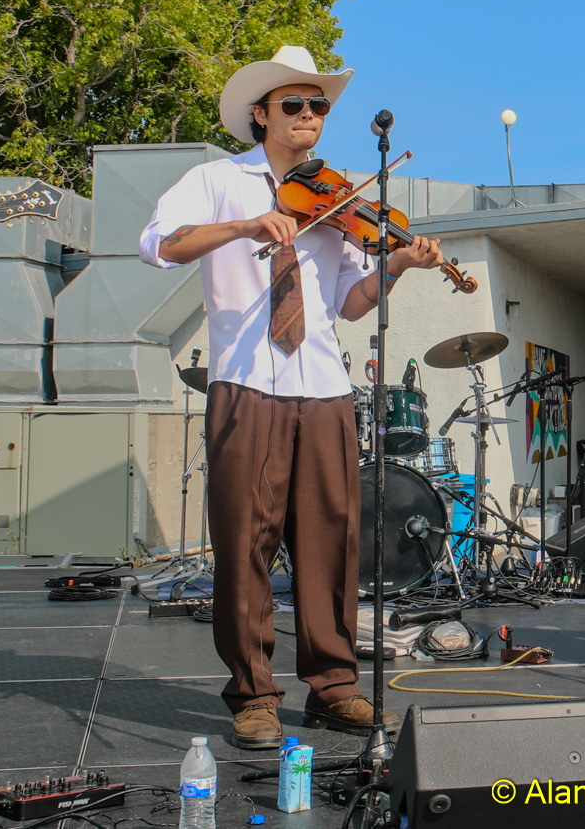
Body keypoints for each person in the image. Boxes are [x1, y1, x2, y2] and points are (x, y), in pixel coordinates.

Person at [140, 46, 445, 746]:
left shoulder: (335, 196)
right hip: (247, 381)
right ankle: (253, 693)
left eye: (318, 106)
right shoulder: (217, 179)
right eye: (293, 105)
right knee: (246, 539)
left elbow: (351, 300)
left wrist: (394, 264)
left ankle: (334, 685)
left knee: (331, 539)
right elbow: (158, 242)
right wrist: (247, 225)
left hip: (323, 384)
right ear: (261, 113)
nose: (308, 116)